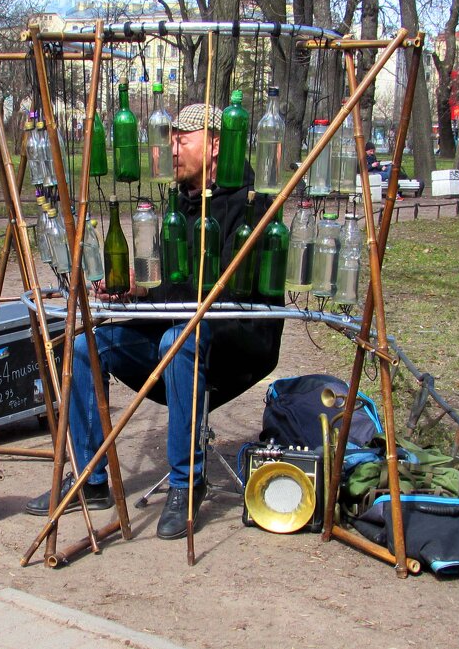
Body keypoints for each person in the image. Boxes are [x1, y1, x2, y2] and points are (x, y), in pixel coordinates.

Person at [25, 103, 285, 539]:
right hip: (179, 325)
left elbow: (218, 293)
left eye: (183, 139)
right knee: (90, 345)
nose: (172, 148)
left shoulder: (250, 205)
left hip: (238, 339)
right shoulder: (178, 202)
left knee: (178, 341)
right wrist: (135, 288)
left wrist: (152, 293)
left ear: (217, 145)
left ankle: (186, 484)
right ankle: (91, 480)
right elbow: (172, 284)